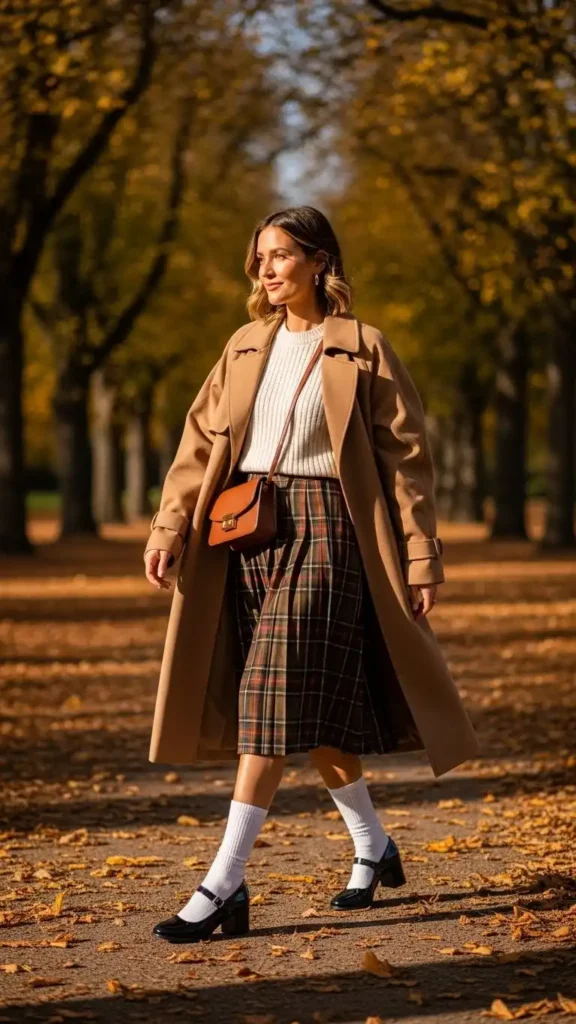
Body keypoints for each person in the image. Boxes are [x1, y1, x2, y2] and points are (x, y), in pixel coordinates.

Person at [143, 205, 479, 944]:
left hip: (332, 530)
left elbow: (408, 466)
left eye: (281, 256)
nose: (265, 270)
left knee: (266, 696)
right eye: (259, 257)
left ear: (319, 262)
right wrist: (170, 526)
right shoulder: (242, 346)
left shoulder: (363, 348)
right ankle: (373, 844)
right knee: (312, 712)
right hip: (246, 530)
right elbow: (199, 443)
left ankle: (222, 884)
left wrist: (421, 557)